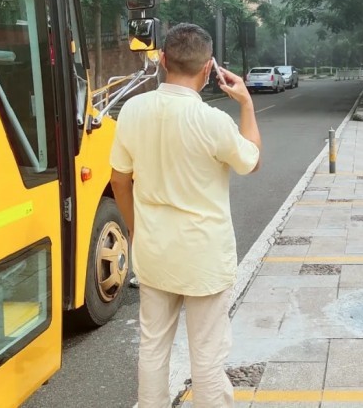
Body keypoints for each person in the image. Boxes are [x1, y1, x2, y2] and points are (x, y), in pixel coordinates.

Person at [110, 23, 261, 408]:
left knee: (153, 347)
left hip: (155, 251)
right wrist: (246, 103)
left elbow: (120, 180)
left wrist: (134, 228)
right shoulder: (212, 121)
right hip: (204, 257)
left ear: (162, 60)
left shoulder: (132, 111)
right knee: (207, 357)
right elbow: (251, 162)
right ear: (209, 68)